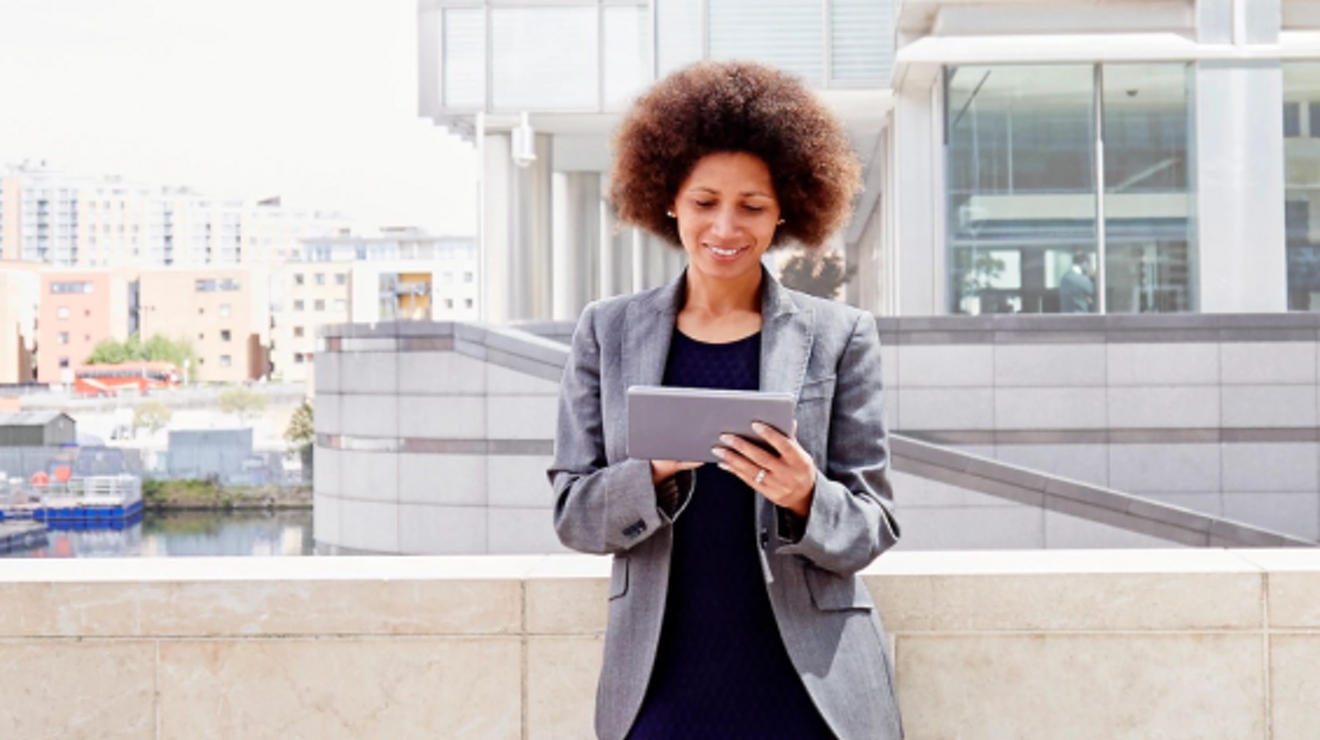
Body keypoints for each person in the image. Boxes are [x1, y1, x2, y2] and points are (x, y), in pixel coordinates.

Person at [548, 61, 903, 740]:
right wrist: (649, 475)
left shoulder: (839, 334)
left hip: (812, 686)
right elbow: (572, 514)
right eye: (705, 201)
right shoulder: (607, 330)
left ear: (785, 211)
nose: (726, 227)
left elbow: (873, 524)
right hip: (660, 683)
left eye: (752, 206)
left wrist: (805, 494)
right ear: (670, 200)